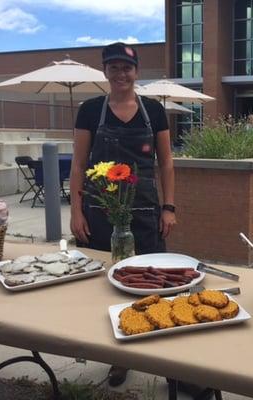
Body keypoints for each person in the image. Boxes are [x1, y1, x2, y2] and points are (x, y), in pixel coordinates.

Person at [70, 42, 176, 386]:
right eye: (113, 68)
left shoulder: (154, 111)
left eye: (126, 68)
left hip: (146, 212)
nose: (120, 74)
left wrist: (169, 207)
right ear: (105, 72)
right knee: (109, 287)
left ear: (136, 71)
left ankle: (170, 366)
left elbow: (166, 164)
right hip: (100, 213)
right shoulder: (89, 110)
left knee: (155, 286)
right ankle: (118, 357)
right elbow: (78, 164)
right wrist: (76, 211)